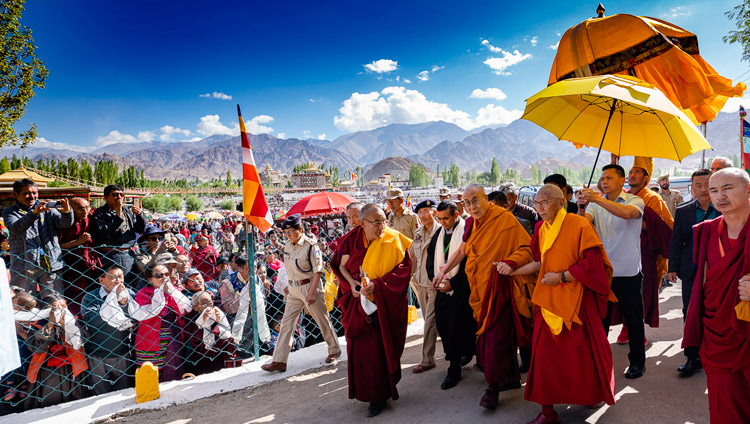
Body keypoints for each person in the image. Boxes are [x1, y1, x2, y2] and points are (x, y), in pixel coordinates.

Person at [510, 185, 615, 424]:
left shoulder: (579, 225)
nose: (540, 208)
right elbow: (540, 262)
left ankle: (591, 395)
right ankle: (547, 412)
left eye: (545, 202)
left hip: (577, 299)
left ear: (561, 202)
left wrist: (563, 277)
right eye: (537, 203)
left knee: (583, 354)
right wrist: (513, 271)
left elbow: (593, 265)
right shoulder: (539, 228)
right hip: (548, 301)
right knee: (544, 357)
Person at [433, 184, 536, 410]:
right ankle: (508, 378)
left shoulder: (505, 219)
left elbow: (527, 249)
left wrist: (510, 263)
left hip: (501, 287)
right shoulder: (471, 223)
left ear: (486, 198)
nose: (472, 207)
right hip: (479, 288)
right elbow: (462, 251)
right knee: (498, 339)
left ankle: (492, 387)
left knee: (494, 340)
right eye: (467, 203)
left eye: (475, 201)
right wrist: (443, 269)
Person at [331, 203, 412, 417]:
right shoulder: (351, 240)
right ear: (363, 223)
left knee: (382, 348)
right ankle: (371, 395)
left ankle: (382, 393)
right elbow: (339, 266)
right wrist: (353, 286)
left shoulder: (393, 238)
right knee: (363, 352)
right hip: (358, 304)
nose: (381, 226)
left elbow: (403, 270)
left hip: (384, 304)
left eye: (383, 220)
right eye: (376, 222)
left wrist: (377, 285)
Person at [683, 168, 750, 423]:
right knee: (725, 406)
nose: (719, 195)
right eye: (713, 190)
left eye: (728, 188)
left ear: (748, 189)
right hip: (719, 333)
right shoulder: (706, 231)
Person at [579, 164, 647, 379]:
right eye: (602, 178)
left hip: (628, 272)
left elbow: (628, 215)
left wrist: (597, 199)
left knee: (634, 320)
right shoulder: (594, 206)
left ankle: (637, 362)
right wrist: (582, 205)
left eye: (609, 177)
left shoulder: (634, 201)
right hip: (603, 272)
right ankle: (599, 362)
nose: (604, 181)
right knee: (601, 321)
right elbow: (582, 226)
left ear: (621, 181)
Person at [261, 214, 341, 372]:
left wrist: (311, 293)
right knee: (286, 324)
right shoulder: (289, 245)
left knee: (322, 320)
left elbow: (318, 271)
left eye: (290, 231)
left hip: (309, 287)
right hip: (293, 290)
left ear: (299, 229)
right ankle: (279, 360)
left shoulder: (311, 245)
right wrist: (288, 285)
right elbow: (288, 262)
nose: (288, 235)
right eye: (286, 233)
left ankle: (334, 349)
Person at [668, 169, 716, 377]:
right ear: (692, 187)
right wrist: (673, 267)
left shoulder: (726, 209)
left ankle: (715, 354)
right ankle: (692, 356)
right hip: (691, 269)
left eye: (708, 184)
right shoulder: (684, 210)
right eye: (698, 185)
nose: (704, 189)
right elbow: (676, 241)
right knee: (690, 312)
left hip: (718, 269)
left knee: (717, 312)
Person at [621, 157, 673, 344]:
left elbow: (663, 227)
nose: (632, 175)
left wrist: (630, 217)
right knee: (623, 291)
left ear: (646, 178)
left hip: (645, 252)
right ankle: (626, 326)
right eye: (630, 172)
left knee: (642, 293)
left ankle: (636, 330)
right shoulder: (624, 195)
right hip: (623, 249)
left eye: (637, 172)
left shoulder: (653, 198)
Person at [425, 200, 476, 390]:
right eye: (439, 219)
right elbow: (430, 259)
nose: (442, 222)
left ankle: (454, 368)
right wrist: (435, 279)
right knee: (443, 326)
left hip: (461, 289)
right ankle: (459, 356)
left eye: (446, 218)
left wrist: (453, 284)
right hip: (441, 289)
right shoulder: (438, 233)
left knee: (458, 328)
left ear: (456, 216)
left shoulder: (466, 232)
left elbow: (470, 264)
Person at [3, 179, 73, 299]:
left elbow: (64, 224)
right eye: (27, 193)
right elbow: (16, 228)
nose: (32, 196)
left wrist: (67, 211)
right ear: (15, 194)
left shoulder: (47, 209)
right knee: (23, 303)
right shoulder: (9, 212)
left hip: (50, 263)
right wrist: (34, 213)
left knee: (55, 302)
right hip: (23, 265)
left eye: (35, 193)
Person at [24, 294, 89, 408]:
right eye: (54, 307)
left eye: (63, 306)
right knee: (50, 401)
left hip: (72, 367)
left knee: (75, 403)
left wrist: (66, 326)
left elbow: (83, 339)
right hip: (47, 372)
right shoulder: (38, 325)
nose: (60, 309)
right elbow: (36, 347)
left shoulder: (75, 322)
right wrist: (50, 325)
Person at [80, 265, 135, 395]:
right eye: (113, 278)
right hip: (97, 354)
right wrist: (113, 301)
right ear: (101, 280)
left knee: (124, 391)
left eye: (120, 277)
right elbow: (91, 321)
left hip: (122, 352)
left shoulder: (129, 294)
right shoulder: (90, 297)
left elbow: (134, 318)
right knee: (100, 393)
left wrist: (124, 303)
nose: (118, 281)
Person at [132, 264, 192, 382]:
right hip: (150, 337)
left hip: (172, 336)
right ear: (150, 279)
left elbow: (184, 309)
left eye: (166, 274)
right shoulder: (143, 293)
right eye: (159, 275)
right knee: (150, 372)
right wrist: (160, 292)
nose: (164, 278)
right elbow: (148, 314)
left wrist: (171, 291)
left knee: (172, 368)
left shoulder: (173, 291)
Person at [91, 184, 146, 287]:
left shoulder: (127, 212)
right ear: (106, 197)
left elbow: (140, 230)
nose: (119, 197)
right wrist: (117, 214)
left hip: (128, 254)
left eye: (121, 195)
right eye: (115, 195)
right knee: (112, 285)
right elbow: (104, 232)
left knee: (128, 285)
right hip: (109, 255)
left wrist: (140, 216)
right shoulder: (100, 213)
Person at [409, 199, 440, 374]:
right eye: (420, 212)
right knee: (432, 319)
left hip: (434, 283)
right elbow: (413, 257)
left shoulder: (440, 231)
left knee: (429, 321)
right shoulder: (419, 232)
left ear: (434, 213)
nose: (422, 215)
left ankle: (427, 359)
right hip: (420, 282)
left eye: (426, 211)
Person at [58, 197, 100, 315]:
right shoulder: (64, 223)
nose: (85, 211)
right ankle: (75, 319)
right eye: (81, 209)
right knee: (74, 293)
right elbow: (57, 246)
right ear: (71, 209)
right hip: (70, 263)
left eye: (87, 208)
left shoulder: (89, 219)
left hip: (88, 262)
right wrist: (77, 242)